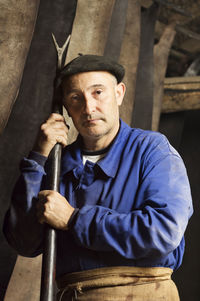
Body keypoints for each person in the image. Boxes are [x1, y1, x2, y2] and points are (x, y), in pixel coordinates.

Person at [4, 55, 193, 301]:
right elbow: (24, 243)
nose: (89, 108)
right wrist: (39, 157)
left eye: (98, 92)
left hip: (145, 294)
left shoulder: (152, 150)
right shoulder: (57, 164)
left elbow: (162, 231)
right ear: (66, 109)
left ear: (119, 93)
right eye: (75, 98)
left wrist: (73, 219)